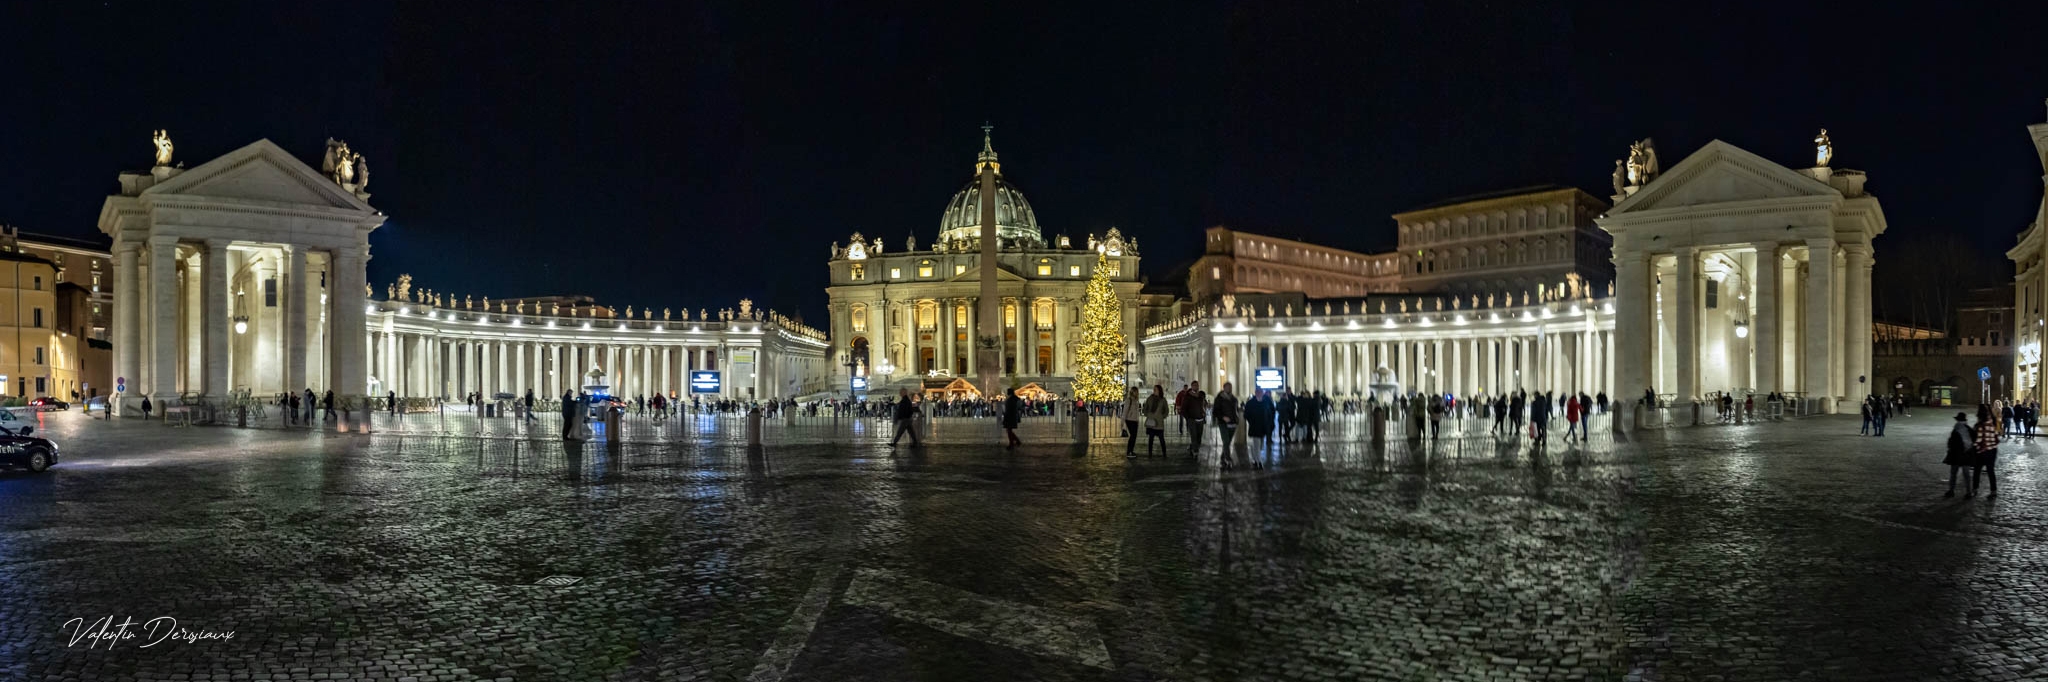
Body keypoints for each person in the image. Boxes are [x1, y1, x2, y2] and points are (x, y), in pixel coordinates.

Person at [1945, 412, 1975, 498]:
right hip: (1966, 454)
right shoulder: (1969, 429)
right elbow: (1974, 440)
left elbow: (1951, 442)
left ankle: (1951, 491)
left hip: (1956, 455)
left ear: (1958, 420)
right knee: (1966, 475)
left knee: (1953, 474)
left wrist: (1950, 449)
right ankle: (1968, 492)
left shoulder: (1956, 429)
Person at [1973, 403, 2000, 498]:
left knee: (1977, 470)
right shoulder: (1992, 422)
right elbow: (1996, 436)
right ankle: (1993, 491)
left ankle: (1975, 489)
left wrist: (1974, 447)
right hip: (1993, 450)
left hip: (1983, 451)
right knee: (1990, 471)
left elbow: (1978, 440)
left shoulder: (1981, 425)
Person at [1211, 382, 1240, 467]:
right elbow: (1215, 411)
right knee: (1226, 441)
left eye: (1230, 387)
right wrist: (1223, 417)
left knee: (1227, 442)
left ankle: (1222, 457)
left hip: (1233, 423)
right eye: (1227, 387)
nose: (1229, 389)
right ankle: (1228, 458)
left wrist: (1237, 419)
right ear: (1224, 388)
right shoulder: (1219, 399)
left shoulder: (1234, 399)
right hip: (1223, 423)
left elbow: (1236, 410)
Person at [1179, 380, 1207, 457]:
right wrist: (1188, 418)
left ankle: (1192, 447)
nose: (1196, 387)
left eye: (1197, 385)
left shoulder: (1201, 396)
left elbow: (1204, 403)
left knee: (1199, 437)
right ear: (1191, 387)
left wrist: (1203, 412)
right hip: (1192, 419)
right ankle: (1195, 451)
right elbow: (1183, 409)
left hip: (1200, 419)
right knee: (1194, 436)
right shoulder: (1187, 396)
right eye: (1194, 385)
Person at [1142, 385, 1169, 455]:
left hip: (1159, 423)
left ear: (1159, 390)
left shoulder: (1163, 400)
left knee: (1161, 439)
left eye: (1155, 389)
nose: (1154, 390)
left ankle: (1164, 453)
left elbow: (1166, 410)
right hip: (1151, 422)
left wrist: (1162, 416)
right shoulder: (1150, 399)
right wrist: (1148, 414)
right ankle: (1150, 453)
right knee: (1151, 438)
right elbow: (1145, 409)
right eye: (1154, 389)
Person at [1119, 386, 1141, 457]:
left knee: (1134, 436)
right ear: (1133, 392)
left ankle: (1131, 450)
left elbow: (1136, 412)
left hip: (1135, 420)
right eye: (1136, 391)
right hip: (1130, 420)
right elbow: (1125, 411)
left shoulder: (1136, 401)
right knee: (1132, 436)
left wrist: (1137, 420)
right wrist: (1122, 421)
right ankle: (1129, 452)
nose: (1137, 393)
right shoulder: (1129, 400)